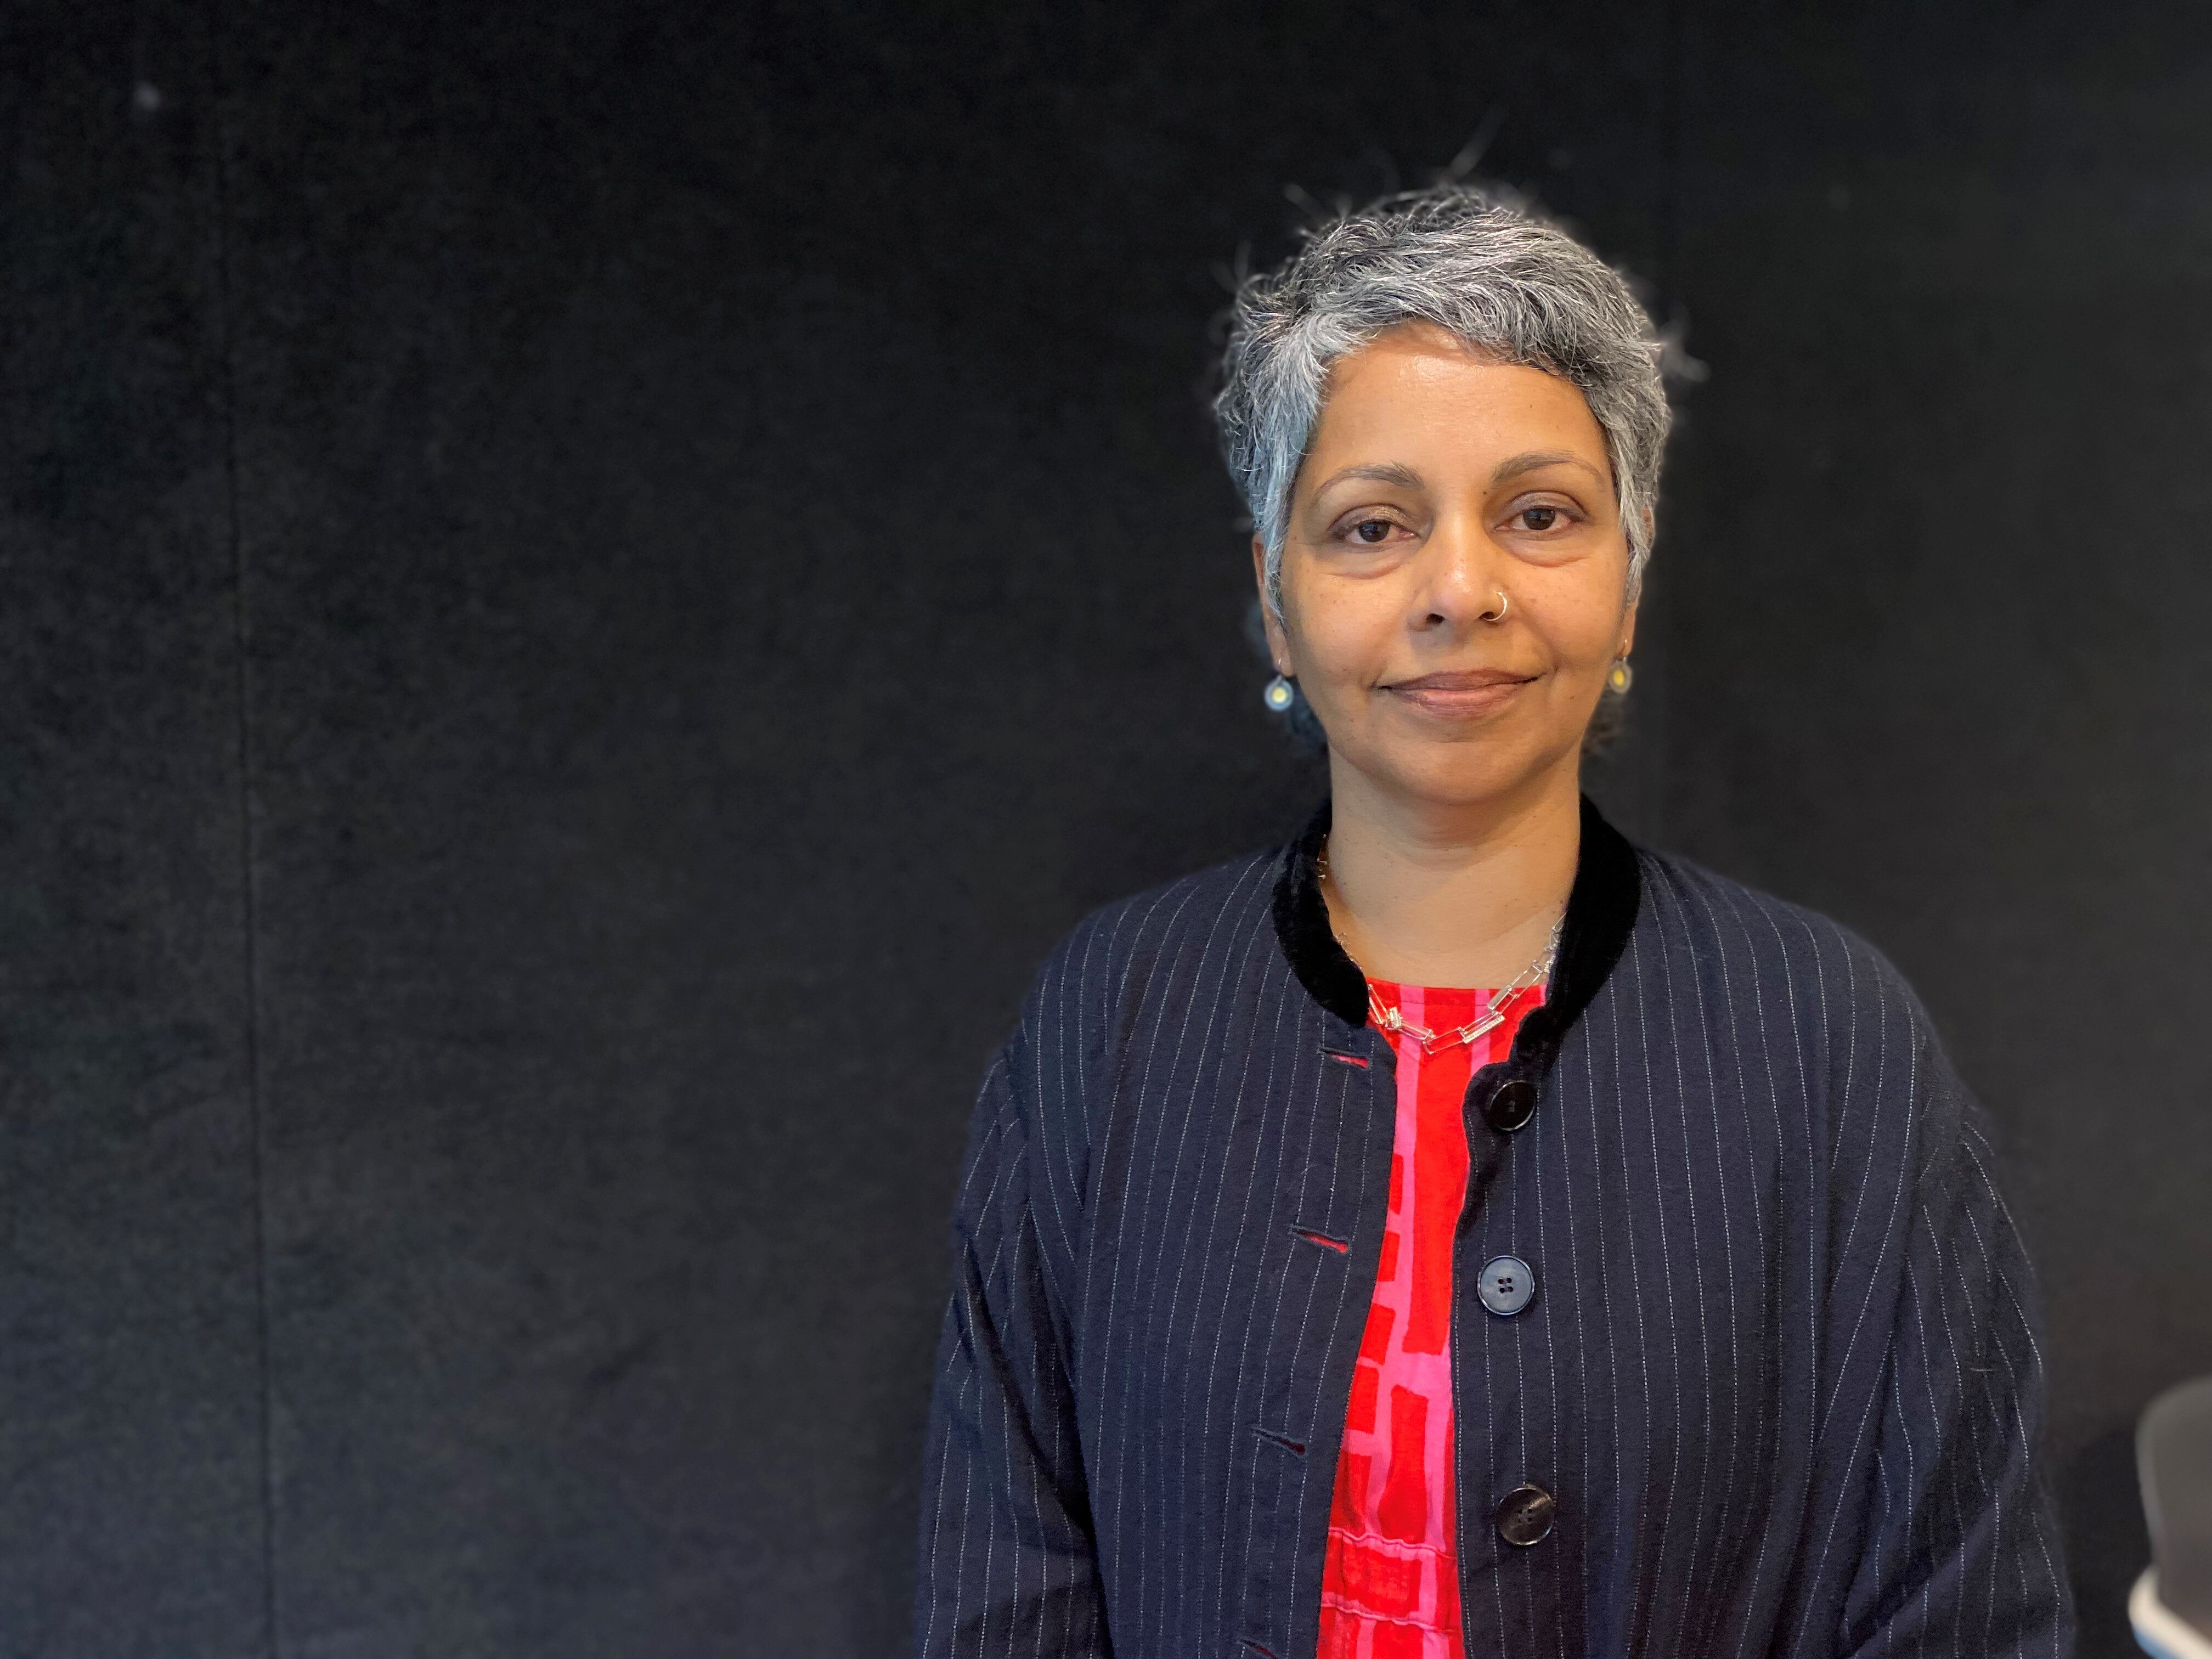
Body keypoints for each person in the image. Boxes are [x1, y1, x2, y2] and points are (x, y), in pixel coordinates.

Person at [915, 185, 2073, 1659]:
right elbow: (1004, 1589)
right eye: (1373, 526)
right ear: (1277, 605)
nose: (1461, 590)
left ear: (1630, 579)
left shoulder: (1835, 1051)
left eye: (1539, 514)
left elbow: (1963, 1618)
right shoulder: (1110, 1019)